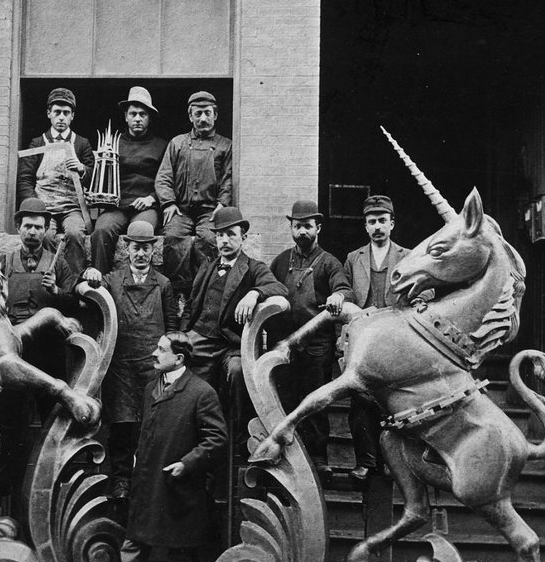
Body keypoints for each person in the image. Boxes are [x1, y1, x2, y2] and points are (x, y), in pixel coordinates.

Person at [87, 333, 227, 562]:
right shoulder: (151, 388)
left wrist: (187, 463)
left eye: (161, 350)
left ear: (179, 358)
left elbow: (217, 438)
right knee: (133, 545)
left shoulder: (201, 392)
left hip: (180, 486)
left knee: (180, 551)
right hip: (148, 483)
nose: (153, 353)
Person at [0, 198, 77, 510]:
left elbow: (75, 307)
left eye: (39, 227)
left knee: (55, 421)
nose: (33, 232)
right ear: (19, 227)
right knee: (7, 422)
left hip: (47, 352)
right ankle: (1, 488)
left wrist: (56, 293)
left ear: (47, 229)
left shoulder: (59, 263)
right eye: (28, 226)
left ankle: (55, 489)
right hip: (13, 351)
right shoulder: (3, 263)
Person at [78, 221, 179, 502]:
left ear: (153, 250)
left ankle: (149, 481)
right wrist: (89, 274)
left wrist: (169, 361)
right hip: (121, 364)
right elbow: (83, 289)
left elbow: (171, 324)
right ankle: (121, 480)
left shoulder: (163, 284)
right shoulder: (112, 279)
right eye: (136, 248)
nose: (141, 254)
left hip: (152, 363)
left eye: (146, 248)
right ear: (127, 249)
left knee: (152, 424)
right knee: (122, 425)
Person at [269, 200, 353, 484]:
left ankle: (318, 457)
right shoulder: (280, 261)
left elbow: (343, 286)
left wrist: (338, 296)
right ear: (291, 228)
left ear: (318, 228)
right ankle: (289, 456)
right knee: (287, 398)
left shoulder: (329, 262)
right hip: (286, 344)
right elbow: (267, 287)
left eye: (307, 226)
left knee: (315, 402)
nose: (302, 231)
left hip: (317, 344)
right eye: (297, 226)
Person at [181, 206, 286, 432]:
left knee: (238, 371)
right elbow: (191, 306)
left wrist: (254, 293)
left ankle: (241, 435)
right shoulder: (207, 267)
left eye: (231, 234)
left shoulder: (252, 268)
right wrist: (182, 334)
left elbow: (279, 288)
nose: (225, 240)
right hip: (200, 337)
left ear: (243, 237)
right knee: (173, 363)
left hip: (232, 344)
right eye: (220, 235)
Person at [343, 194, 410, 481]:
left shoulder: (408, 257)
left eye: (383, 221)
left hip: (395, 339)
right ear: (366, 227)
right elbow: (345, 293)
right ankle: (366, 461)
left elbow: (425, 293)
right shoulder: (353, 258)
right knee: (360, 400)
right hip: (364, 339)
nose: (377, 226)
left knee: (392, 402)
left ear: (392, 223)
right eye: (372, 222)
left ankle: (393, 464)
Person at [155, 90, 233, 297]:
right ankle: (180, 295)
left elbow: (228, 177)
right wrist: (169, 203)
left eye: (207, 113)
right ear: (190, 116)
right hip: (181, 210)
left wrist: (223, 204)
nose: (203, 118)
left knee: (209, 240)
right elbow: (163, 177)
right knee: (173, 237)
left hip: (210, 210)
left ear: (215, 115)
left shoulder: (226, 146)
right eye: (198, 114)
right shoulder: (177, 143)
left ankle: (205, 292)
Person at [89, 85, 168, 274]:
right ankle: (100, 284)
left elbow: (168, 179)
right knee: (101, 231)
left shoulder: (162, 145)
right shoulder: (114, 144)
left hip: (147, 206)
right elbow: (99, 175)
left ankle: (138, 287)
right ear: (126, 116)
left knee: (139, 231)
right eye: (133, 114)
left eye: (143, 114)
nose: (138, 119)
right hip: (118, 206)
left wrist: (152, 198)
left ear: (149, 117)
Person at [16, 87, 94, 276]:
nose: (61, 117)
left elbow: (94, 177)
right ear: (49, 114)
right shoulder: (38, 143)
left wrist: (82, 168)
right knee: (47, 235)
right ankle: (49, 278)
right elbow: (25, 179)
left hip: (71, 207)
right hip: (45, 207)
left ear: (72, 116)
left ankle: (74, 282)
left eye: (66, 113)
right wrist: (35, 207)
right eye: (57, 112)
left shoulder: (81, 143)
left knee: (75, 234)